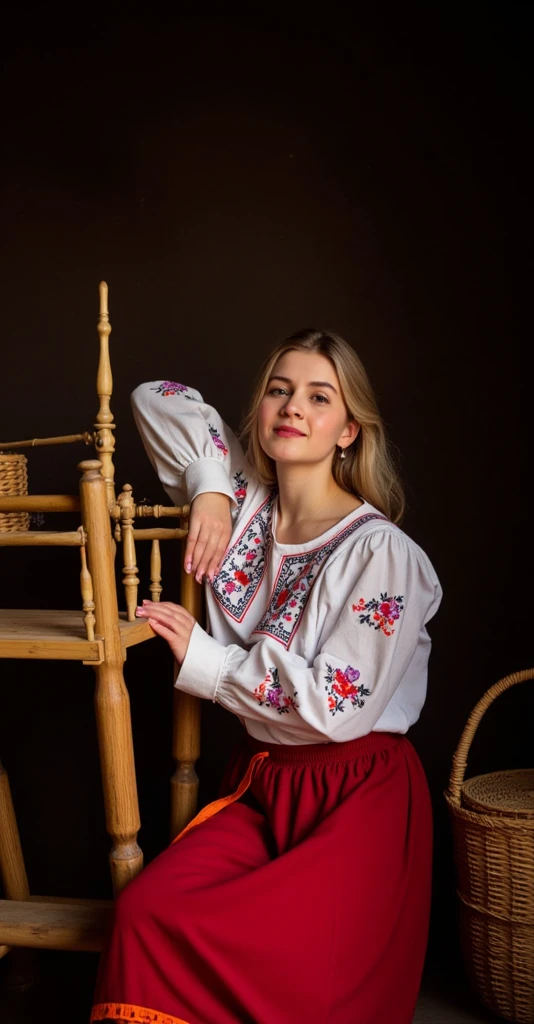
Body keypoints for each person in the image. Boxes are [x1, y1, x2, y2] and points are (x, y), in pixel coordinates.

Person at [91, 328, 442, 1024]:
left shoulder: (382, 554)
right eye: (279, 391)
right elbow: (153, 399)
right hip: (263, 784)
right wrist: (212, 490)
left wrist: (208, 660)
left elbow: (336, 708)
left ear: (348, 430)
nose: (293, 407)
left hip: (358, 797)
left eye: (319, 396)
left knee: (304, 981)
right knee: (143, 913)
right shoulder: (244, 511)